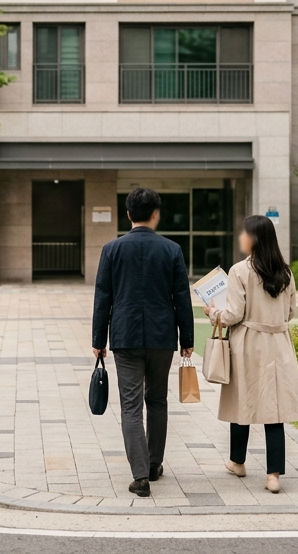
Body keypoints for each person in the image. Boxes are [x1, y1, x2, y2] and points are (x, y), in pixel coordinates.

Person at [91, 187, 194, 498]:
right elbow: (182, 299)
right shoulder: (172, 249)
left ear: (128, 214)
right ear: (156, 214)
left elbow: (103, 297)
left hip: (125, 336)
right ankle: (153, 463)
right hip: (163, 337)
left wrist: (98, 339)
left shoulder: (112, 249)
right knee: (158, 400)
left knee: (131, 407)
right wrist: (187, 338)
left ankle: (139, 477)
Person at [206, 214, 298, 494]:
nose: (241, 237)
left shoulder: (239, 270)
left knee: (243, 402)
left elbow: (233, 314)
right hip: (278, 343)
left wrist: (212, 312)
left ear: (254, 238)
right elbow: (290, 312)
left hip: (248, 343)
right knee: (274, 411)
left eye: (244, 233)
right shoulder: (285, 272)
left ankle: (238, 462)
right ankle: (273, 475)